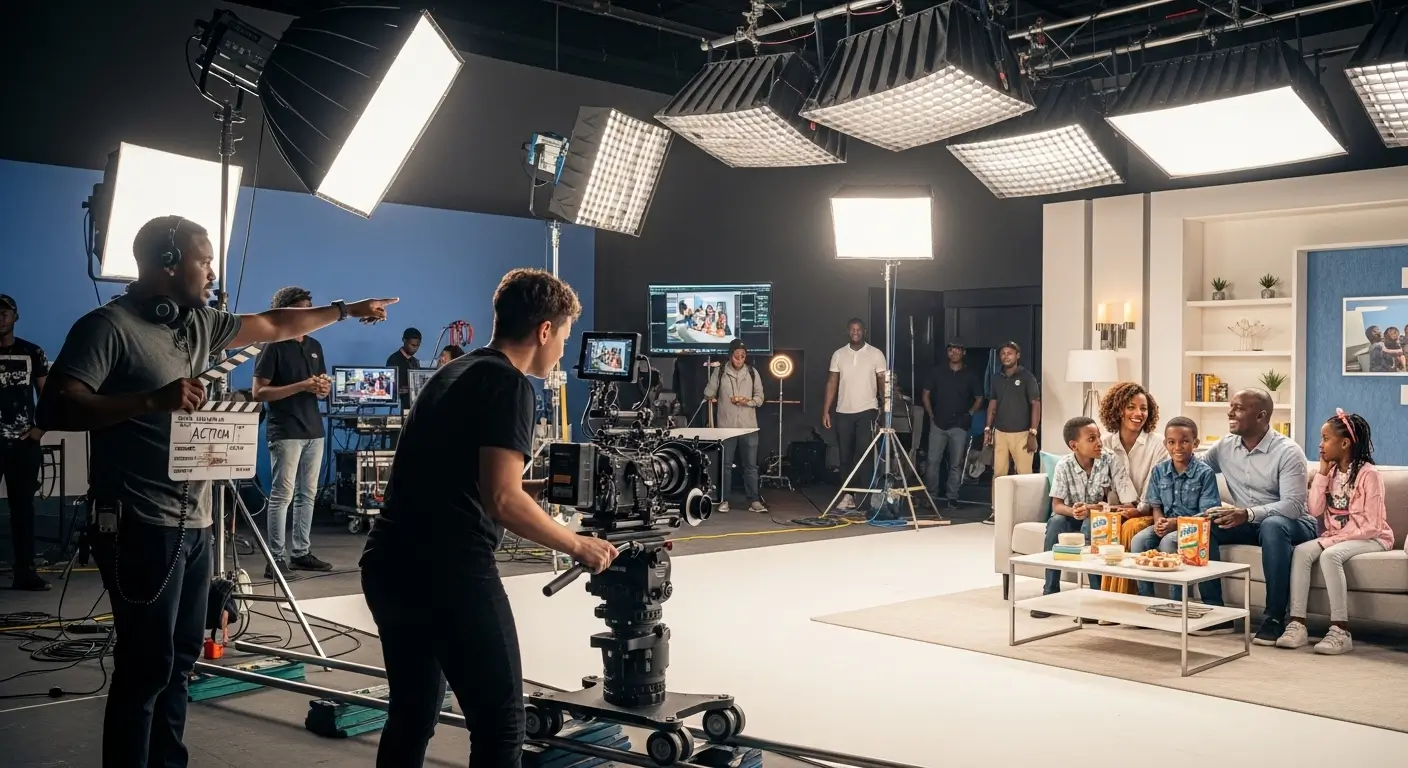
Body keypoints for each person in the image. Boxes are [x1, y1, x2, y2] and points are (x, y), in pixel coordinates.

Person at [36, 215, 395, 768]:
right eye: (204, 260)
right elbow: (58, 406)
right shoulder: (107, 327)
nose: (212, 272)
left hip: (194, 520)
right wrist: (149, 401)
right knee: (146, 665)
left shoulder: (198, 324)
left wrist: (345, 310)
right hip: (136, 521)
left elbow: (275, 323)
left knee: (180, 659)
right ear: (168, 262)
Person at [359, 269, 617, 767]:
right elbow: (501, 500)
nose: (563, 349)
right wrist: (579, 545)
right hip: (449, 573)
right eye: (563, 337)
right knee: (501, 724)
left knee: (412, 712)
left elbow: (467, 477)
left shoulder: (455, 371)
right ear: (545, 330)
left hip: (390, 563)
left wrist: (535, 488)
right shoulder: (510, 384)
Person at [1198, 388, 1311, 643]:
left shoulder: (1288, 451)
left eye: (1238, 408)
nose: (1230, 412)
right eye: (1231, 407)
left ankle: (1273, 617)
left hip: (1291, 524)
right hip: (1247, 521)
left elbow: (1293, 505)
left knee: (1271, 525)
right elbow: (1196, 470)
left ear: (1261, 416)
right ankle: (1217, 612)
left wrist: (1248, 514)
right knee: (1203, 525)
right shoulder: (1225, 446)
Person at [1277, 410, 1395, 654]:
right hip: (1337, 538)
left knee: (1330, 555)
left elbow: (1372, 524)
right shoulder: (1329, 474)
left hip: (1373, 538)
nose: (1320, 445)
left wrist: (1331, 541)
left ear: (1344, 443)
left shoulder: (1369, 474)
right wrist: (1320, 474)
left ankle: (1340, 630)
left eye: (1326, 439)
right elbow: (1314, 509)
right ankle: (1297, 624)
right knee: (1300, 552)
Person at [252, 286, 334, 579]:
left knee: (307, 495)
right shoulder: (273, 345)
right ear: (287, 312)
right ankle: (274, 560)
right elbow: (259, 391)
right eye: (303, 309)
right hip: (285, 430)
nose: (310, 315)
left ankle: (301, 553)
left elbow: (319, 386)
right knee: (282, 495)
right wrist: (301, 386)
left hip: (314, 429)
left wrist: (323, 389)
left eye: (311, 309)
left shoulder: (314, 345)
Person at [1033, 416, 1135, 614]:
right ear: (1074, 445)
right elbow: (1057, 505)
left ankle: (1096, 596)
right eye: (1091, 439)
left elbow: (1128, 502)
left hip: (1098, 518)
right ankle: (1050, 591)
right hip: (1072, 517)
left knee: (1092, 524)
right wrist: (1073, 511)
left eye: (1098, 436)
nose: (1099, 442)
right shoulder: (1064, 465)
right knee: (1056, 522)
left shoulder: (1110, 459)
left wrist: (1091, 508)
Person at [1130, 417, 1221, 601]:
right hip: (1167, 522)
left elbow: (1207, 514)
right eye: (1172, 442)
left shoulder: (1205, 473)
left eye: (1184, 442)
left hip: (1193, 527)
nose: (1178, 447)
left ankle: (1176, 603)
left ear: (1195, 443)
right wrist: (1159, 522)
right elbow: (1155, 505)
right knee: (1138, 541)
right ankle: (1146, 599)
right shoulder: (1159, 471)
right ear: (1165, 444)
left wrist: (1175, 524)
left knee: (1169, 542)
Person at [1095, 381, 1168, 595]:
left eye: (1143, 408)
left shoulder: (1159, 444)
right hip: (1117, 511)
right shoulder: (1105, 444)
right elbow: (1104, 485)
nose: (1138, 413)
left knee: (1129, 527)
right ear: (1118, 410)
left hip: (1147, 510)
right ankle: (1102, 596)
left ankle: (1123, 598)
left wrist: (1137, 508)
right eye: (1131, 407)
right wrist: (1112, 508)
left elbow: (1153, 488)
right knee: (1105, 525)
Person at [0, 293, 50, 590]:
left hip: (23, 445)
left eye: (5, 312)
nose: (0, 317)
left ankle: (25, 572)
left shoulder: (33, 352)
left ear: (15, 317)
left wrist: (39, 430)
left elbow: (48, 396)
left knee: (23, 509)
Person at [822, 318, 886, 511]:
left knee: (864, 455)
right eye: (852, 329)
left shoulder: (876, 354)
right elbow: (832, 382)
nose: (856, 332)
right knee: (844, 457)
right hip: (843, 411)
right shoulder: (839, 354)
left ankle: (865, 499)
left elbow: (883, 381)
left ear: (864, 331)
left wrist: (886, 406)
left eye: (859, 329)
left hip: (867, 410)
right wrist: (826, 410)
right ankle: (847, 495)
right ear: (847, 332)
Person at [704, 338, 766, 513]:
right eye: (737, 355)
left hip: (748, 426)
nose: (740, 359)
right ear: (730, 355)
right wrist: (712, 390)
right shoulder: (720, 371)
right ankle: (724, 500)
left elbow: (760, 397)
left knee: (751, 466)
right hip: (726, 427)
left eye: (743, 356)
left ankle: (754, 501)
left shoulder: (753, 372)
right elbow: (708, 393)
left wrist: (750, 402)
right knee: (725, 465)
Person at [984, 341, 1041, 524]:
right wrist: (988, 428)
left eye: (1010, 353)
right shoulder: (996, 378)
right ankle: (997, 511)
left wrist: (1033, 433)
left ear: (1017, 355)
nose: (1006, 356)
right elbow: (992, 403)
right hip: (1000, 432)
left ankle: (1026, 514)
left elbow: (1036, 404)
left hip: (1023, 433)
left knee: (1023, 474)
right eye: (1003, 353)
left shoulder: (1027, 377)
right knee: (998, 474)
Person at [920, 342, 982, 510]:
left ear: (963, 352)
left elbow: (979, 398)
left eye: (957, 349)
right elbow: (926, 394)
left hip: (959, 426)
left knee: (956, 463)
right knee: (932, 461)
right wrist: (931, 415)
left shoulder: (970, 375)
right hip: (938, 424)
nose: (954, 352)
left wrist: (969, 414)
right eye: (950, 349)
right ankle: (931, 496)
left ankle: (952, 497)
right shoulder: (937, 371)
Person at [386, 327, 422, 409]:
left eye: (417, 346)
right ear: (404, 340)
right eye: (412, 345)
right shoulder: (393, 360)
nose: (415, 348)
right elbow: (389, 387)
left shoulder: (415, 362)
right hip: (398, 407)